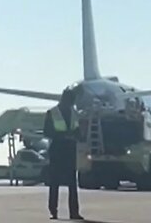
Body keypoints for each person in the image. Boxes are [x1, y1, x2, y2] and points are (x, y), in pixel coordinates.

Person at [43, 88, 84, 220]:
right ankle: (53, 211)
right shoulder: (52, 113)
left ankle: (74, 212)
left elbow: (78, 131)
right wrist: (64, 135)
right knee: (54, 183)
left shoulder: (74, 113)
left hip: (70, 151)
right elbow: (47, 132)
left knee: (72, 184)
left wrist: (77, 136)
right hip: (57, 150)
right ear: (65, 99)